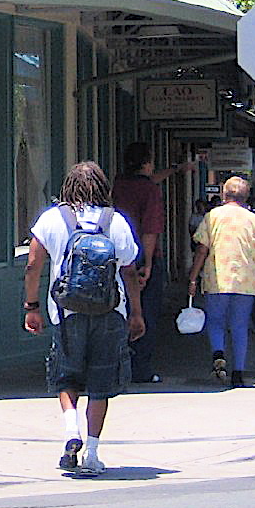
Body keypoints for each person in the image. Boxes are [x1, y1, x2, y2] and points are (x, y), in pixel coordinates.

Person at [24, 161, 144, 477]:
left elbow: (33, 265)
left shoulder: (51, 219)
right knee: (101, 383)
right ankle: (91, 453)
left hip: (66, 312)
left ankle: (70, 430)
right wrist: (137, 313)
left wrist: (32, 306)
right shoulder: (116, 221)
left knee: (67, 375)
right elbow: (129, 271)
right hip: (110, 313)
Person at [111, 142, 192, 384]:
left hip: (115, 254)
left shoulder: (118, 185)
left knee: (117, 310)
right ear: (146, 162)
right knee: (145, 313)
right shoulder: (150, 191)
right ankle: (140, 368)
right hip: (140, 256)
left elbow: (151, 179)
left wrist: (176, 169)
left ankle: (116, 364)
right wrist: (146, 263)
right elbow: (150, 229)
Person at [187, 176, 255, 387]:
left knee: (215, 322)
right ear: (246, 196)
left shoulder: (212, 216)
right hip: (245, 280)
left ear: (224, 195)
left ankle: (218, 356)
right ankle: (238, 372)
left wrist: (193, 277)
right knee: (240, 326)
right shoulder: (254, 220)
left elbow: (202, 249)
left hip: (217, 278)